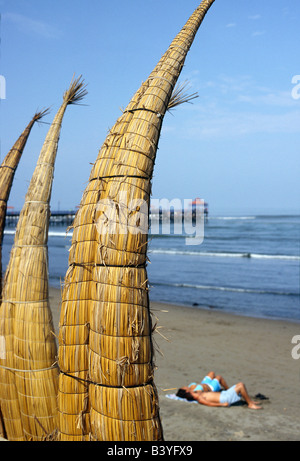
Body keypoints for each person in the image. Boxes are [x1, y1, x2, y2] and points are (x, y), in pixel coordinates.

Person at [177, 371, 261, 410]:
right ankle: (250, 404)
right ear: (187, 392)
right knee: (241, 385)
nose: (185, 386)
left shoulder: (195, 393)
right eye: (184, 388)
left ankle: (250, 401)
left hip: (224, 394)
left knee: (239, 385)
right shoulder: (198, 397)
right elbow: (209, 404)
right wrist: (222, 404)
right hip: (224, 398)